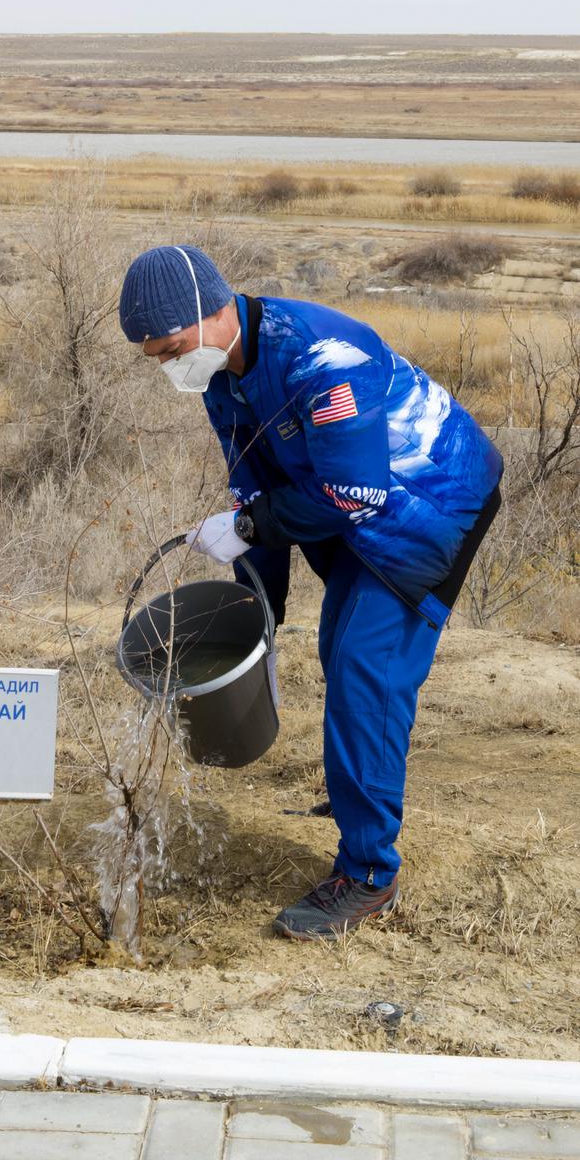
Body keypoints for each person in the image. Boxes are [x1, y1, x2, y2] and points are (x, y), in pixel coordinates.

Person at [119, 244, 503, 941]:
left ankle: (366, 874)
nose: (168, 365)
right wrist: (256, 617)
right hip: (348, 509)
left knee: (365, 672)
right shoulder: (221, 376)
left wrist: (245, 524)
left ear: (212, 311)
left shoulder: (322, 356)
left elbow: (352, 491)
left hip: (429, 503)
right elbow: (255, 491)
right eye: (154, 357)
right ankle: (362, 794)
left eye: (172, 347)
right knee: (339, 647)